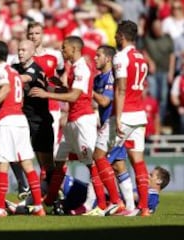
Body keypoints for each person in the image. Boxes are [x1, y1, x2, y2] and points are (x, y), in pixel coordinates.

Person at [0, 40, 45, 217]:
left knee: (2, 163)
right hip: (20, 119)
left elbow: (6, 88)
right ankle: (38, 207)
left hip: (6, 120)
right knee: (27, 163)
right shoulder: (14, 72)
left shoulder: (0, 70)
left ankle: (0, 209)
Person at [29, 36, 97, 209]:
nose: (62, 50)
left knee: (92, 163)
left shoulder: (82, 67)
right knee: (59, 161)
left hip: (83, 120)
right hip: (72, 120)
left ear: (74, 49)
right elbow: (72, 92)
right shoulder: (73, 67)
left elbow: (74, 96)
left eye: (64, 48)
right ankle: (50, 200)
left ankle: (93, 204)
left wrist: (47, 94)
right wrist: (54, 87)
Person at [6, 166, 170, 216]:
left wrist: (109, 209)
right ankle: (18, 207)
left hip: (98, 202)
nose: (146, 176)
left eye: (151, 175)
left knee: (56, 179)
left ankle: (19, 207)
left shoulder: (152, 197)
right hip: (97, 198)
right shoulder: (143, 192)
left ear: (159, 181)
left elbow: (139, 210)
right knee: (54, 181)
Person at [77, 45, 125, 216]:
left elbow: (105, 101)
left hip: (115, 124)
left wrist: (87, 90)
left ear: (108, 58)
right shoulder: (98, 79)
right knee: (117, 166)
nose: (95, 58)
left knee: (99, 162)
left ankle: (108, 203)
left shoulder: (112, 76)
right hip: (105, 124)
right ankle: (126, 206)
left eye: (99, 55)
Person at [111, 20, 150, 216]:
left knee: (102, 157)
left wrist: (117, 118)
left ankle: (112, 203)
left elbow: (121, 88)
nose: (115, 37)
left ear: (121, 36)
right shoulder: (141, 57)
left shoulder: (120, 57)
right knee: (138, 161)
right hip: (139, 114)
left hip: (125, 114)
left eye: (117, 34)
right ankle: (144, 208)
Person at [11, 39, 54, 199]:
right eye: (19, 50)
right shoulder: (14, 68)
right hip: (22, 120)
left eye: (24, 50)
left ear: (32, 52)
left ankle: (54, 193)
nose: (20, 52)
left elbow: (23, 79)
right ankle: (23, 186)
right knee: (13, 152)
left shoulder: (36, 69)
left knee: (46, 163)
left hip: (39, 121)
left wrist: (4, 76)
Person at [26, 21, 65, 189]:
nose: (34, 36)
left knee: (50, 149)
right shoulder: (22, 56)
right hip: (31, 109)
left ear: (43, 35)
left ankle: (52, 189)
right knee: (36, 149)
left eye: (37, 33)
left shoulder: (54, 56)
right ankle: (46, 189)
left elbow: (61, 75)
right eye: (31, 34)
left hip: (51, 107)